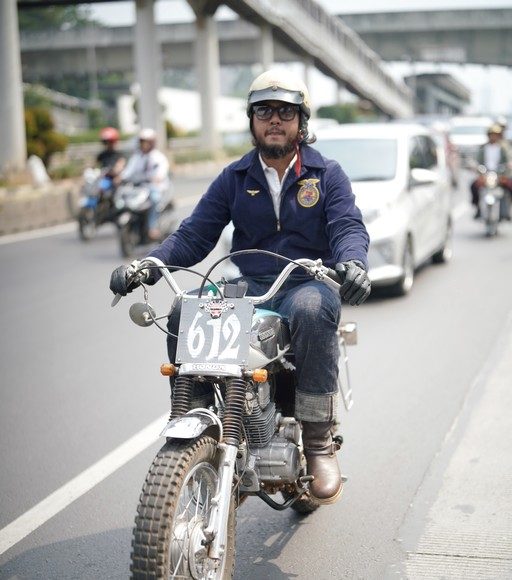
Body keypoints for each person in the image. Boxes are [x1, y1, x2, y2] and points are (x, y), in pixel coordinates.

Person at [109, 70, 370, 505]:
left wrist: (353, 263)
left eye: (285, 111)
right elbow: (194, 235)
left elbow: (347, 227)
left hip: (305, 281)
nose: (274, 119)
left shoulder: (327, 174)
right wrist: (147, 266)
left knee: (313, 310)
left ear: (301, 121)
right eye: (264, 111)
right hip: (249, 284)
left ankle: (318, 441)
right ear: (252, 120)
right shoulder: (234, 177)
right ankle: (197, 419)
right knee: (184, 308)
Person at [120, 127, 171, 240]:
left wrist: (157, 178)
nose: (144, 145)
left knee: (154, 199)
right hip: (140, 187)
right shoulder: (137, 157)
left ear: (152, 143)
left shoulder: (158, 157)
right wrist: (121, 177)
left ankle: (152, 227)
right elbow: (128, 171)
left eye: (146, 142)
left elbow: (162, 172)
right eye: (142, 142)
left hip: (155, 187)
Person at [470, 123, 510, 219]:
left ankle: (507, 211)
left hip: (498, 175)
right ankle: (478, 209)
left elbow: (506, 162)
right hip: (486, 175)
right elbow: (477, 162)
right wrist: (478, 169)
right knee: (473, 186)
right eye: (492, 135)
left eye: (495, 135)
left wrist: (505, 169)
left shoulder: (503, 148)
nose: (493, 137)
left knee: (509, 186)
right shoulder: (483, 148)